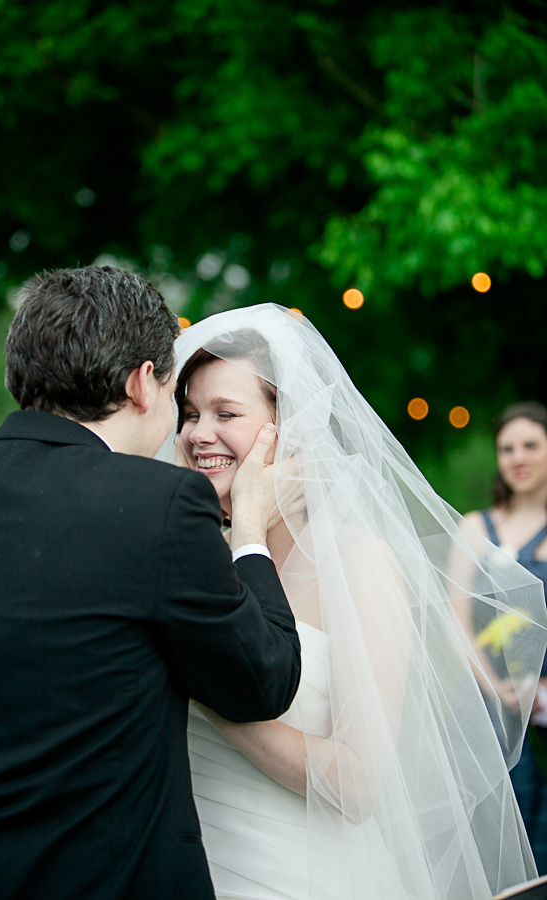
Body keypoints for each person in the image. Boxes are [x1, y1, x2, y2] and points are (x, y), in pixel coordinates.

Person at [167, 303, 547, 900]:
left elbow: (360, 783)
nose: (197, 433)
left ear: (291, 428)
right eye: (189, 414)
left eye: (227, 412)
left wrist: (211, 698)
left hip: (298, 875)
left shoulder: (356, 561)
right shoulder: (191, 561)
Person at [0, 267, 301, 900]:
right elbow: (264, 679)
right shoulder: (158, 504)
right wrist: (250, 529)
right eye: (176, 399)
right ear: (143, 383)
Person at [463, 402, 547, 876]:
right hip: (489, 709)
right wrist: (497, 688)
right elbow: (455, 621)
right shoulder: (477, 528)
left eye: (531, 445)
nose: (519, 456)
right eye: (507, 447)